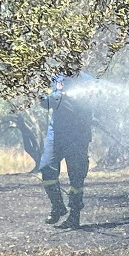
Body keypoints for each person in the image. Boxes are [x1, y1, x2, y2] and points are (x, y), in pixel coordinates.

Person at [39, 72, 92, 228]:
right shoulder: (54, 79)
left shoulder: (89, 81)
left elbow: (95, 103)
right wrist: (60, 95)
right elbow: (44, 102)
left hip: (78, 136)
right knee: (46, 168)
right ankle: (57, 206)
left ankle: (74, 216)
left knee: (77, 177)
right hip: (56, 135)